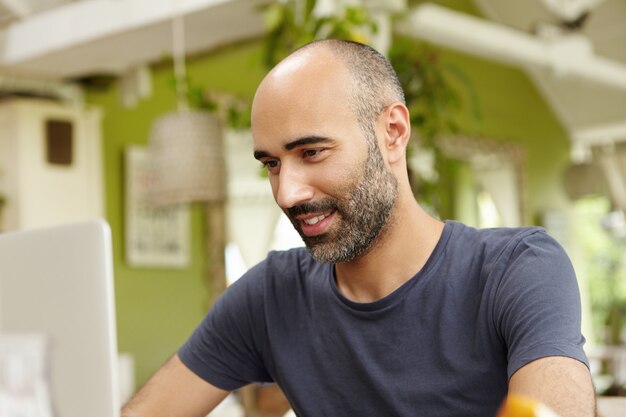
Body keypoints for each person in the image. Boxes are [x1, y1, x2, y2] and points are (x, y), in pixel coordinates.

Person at [122, 39, 595, 417]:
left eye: (311, 153)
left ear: (393, 132)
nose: (287, 193)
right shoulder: (271, 296)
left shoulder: (517, 269)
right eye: (271, 164)